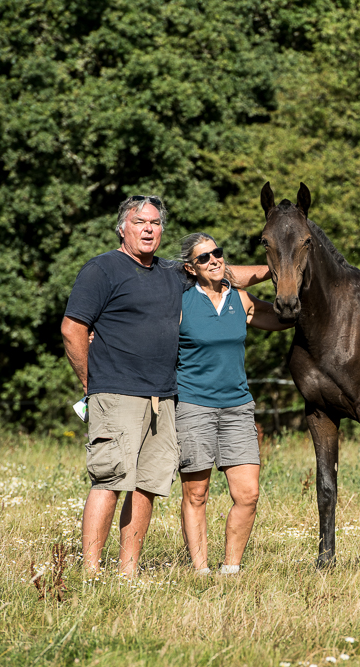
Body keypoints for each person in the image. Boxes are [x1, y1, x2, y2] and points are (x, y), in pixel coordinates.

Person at [61, 196, 269, 577]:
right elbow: (73, 328)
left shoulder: (173, 273)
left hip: (164, 396)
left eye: (155, 223)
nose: (148, 229)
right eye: (140, 221)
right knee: (109, 480)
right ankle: (90, 572)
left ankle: (128, 571)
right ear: (123, 226)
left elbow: (226, 271)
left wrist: (281, 267)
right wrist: (91, 384)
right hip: (116, 391)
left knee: (147, 485)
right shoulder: (103, 269)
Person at [175, 232, 293, 575]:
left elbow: (284, 317)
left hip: (238, 407)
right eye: (204, 258)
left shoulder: (241, 300)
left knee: (248, 494)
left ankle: (231, 568)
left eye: (217, 253)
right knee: (196, 494)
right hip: (194, 406)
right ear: (190, 267)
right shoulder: (182, 304)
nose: (214, 260)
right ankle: (200, 569)